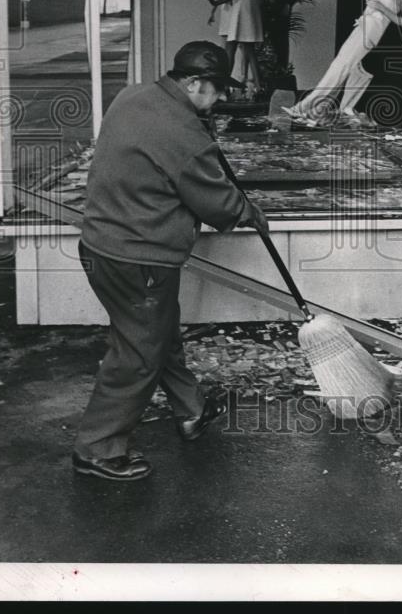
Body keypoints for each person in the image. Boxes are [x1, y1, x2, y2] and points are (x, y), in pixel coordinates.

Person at [72, 41, 269, 481]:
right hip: (138, 257)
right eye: (216, 90)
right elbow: (215, 204)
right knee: (139, 351)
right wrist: (248, 211)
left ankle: (191, 410)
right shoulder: (185, 135)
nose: (219, 99)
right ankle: (96, 448)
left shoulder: (134, 95)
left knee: (157, 335)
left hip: (102, 244)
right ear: (194, 83)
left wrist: (202, 127)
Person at [282, 0, 402, 126]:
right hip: (362, 26)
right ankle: (317, 112)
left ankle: (303, 108)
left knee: (340, 68)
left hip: (373, 31)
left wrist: (381, 8)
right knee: (348, 68)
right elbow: (370, 8)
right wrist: (363, 17)